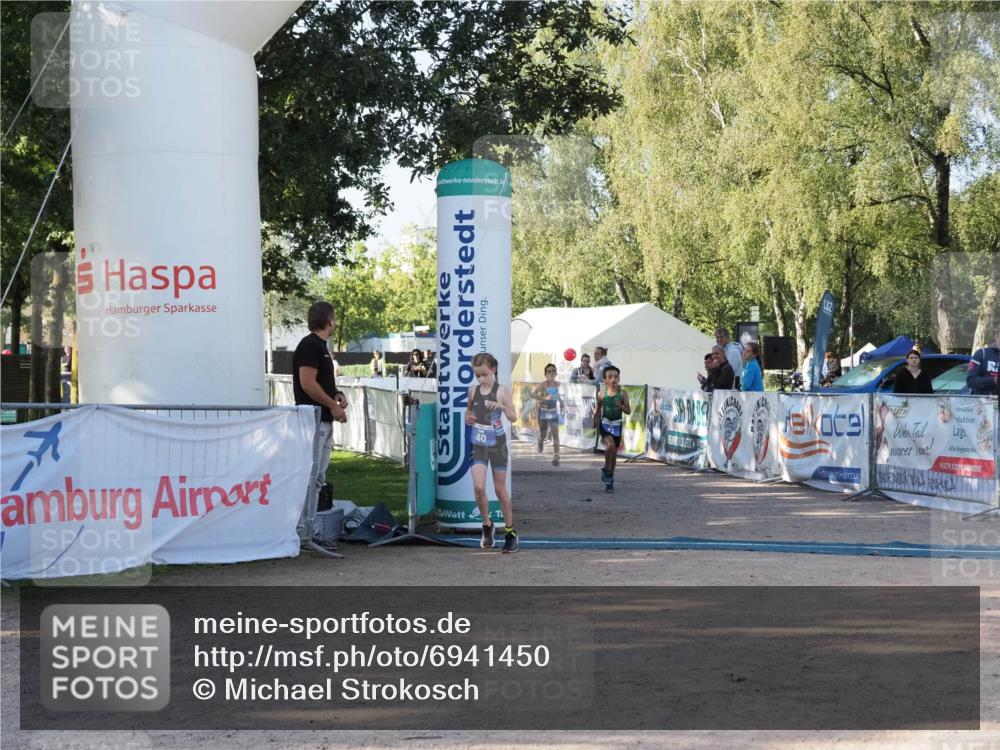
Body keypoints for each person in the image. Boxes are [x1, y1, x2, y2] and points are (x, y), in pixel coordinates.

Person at [293, 302, 348, 523]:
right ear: (329, 321)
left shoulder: (321, 347)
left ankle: (309, 527)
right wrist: (332, 405)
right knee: (310, 475)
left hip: (322, 420)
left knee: (318, 477)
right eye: (334, 318)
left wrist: (336, 394)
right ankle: (301, 528)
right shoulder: (310, 345)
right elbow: (307, 383)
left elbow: (320, 382)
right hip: (312, 421)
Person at [465, 352, 519, 553]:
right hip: (478, 443)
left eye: (484, 374)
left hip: (497, 445)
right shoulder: (472, 390)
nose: (481, 379)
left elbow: (514, 417)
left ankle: (510, 532)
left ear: (494, 370)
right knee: (479, 487)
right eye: (477, 375)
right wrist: (468, 418)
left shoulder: (502, 390)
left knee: (500, 489)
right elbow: (469, 412)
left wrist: (501, 406)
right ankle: (487, 524)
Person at [595, 365, 631, 493]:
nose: (613, 379)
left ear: (619, 378)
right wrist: (595, 422)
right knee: (610, 445)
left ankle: (610, 479)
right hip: (605, 423)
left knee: (614, 454)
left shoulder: (622, 393)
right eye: (610, 377)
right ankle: (606, 467)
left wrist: (620, 406)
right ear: (604, 380)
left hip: (617, 425)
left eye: (616, 377)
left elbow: (628, 411)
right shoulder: (601, 394)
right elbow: (597, 410)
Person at [532, 363, 563, 466]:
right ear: (545, 374)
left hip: (553, 411)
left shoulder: (557, 384)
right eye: (549, 371)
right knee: (544, 433)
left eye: (553, 371)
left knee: (555, 435)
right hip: (544, 412)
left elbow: (556, 394)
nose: (551, 373)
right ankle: (540, 440)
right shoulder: (543, 384)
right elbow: (533, 394)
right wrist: (544, 398)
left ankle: (556, 456)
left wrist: (561, 402)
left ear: (556, 373)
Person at [967, 328, 1000, 396]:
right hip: (982, 401)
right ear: (996, 336)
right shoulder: (982, 353)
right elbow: (971, 381)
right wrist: (995, 380)